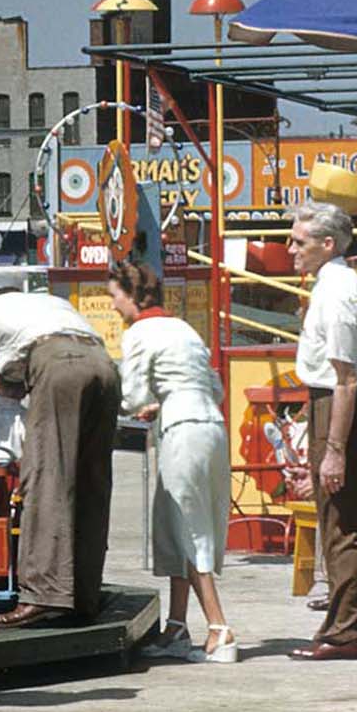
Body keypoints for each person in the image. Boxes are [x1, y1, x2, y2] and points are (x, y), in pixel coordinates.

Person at [0, 267, 120, 627]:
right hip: (104, 367)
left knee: (48, 477)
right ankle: (83, 593)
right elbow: (15, 385)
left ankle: (42, 594)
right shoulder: (47, 304)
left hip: (58, 366)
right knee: (91, 482)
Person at [108, 261, 235, 663]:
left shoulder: (139, 333)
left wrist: (145, 403)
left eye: (115, 296)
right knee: (178, 522)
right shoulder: (185, 329)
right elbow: (214, 387)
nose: (113, 306)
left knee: (186, 525)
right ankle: (177, 626)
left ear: (132, 296)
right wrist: (165, 400)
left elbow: (129, 397)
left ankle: (220, 629)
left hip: (181, 432)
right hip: (210, 427)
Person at [286, 201, 357, 661]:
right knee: (344, 516)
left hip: (338, 408)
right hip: (332, 405)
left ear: (328, 244)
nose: (290, 249)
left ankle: (346, 630)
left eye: (298, 241)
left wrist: (334, 451)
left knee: (341, 521)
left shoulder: (337, 291)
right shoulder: (337, 284)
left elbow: (345, 381)